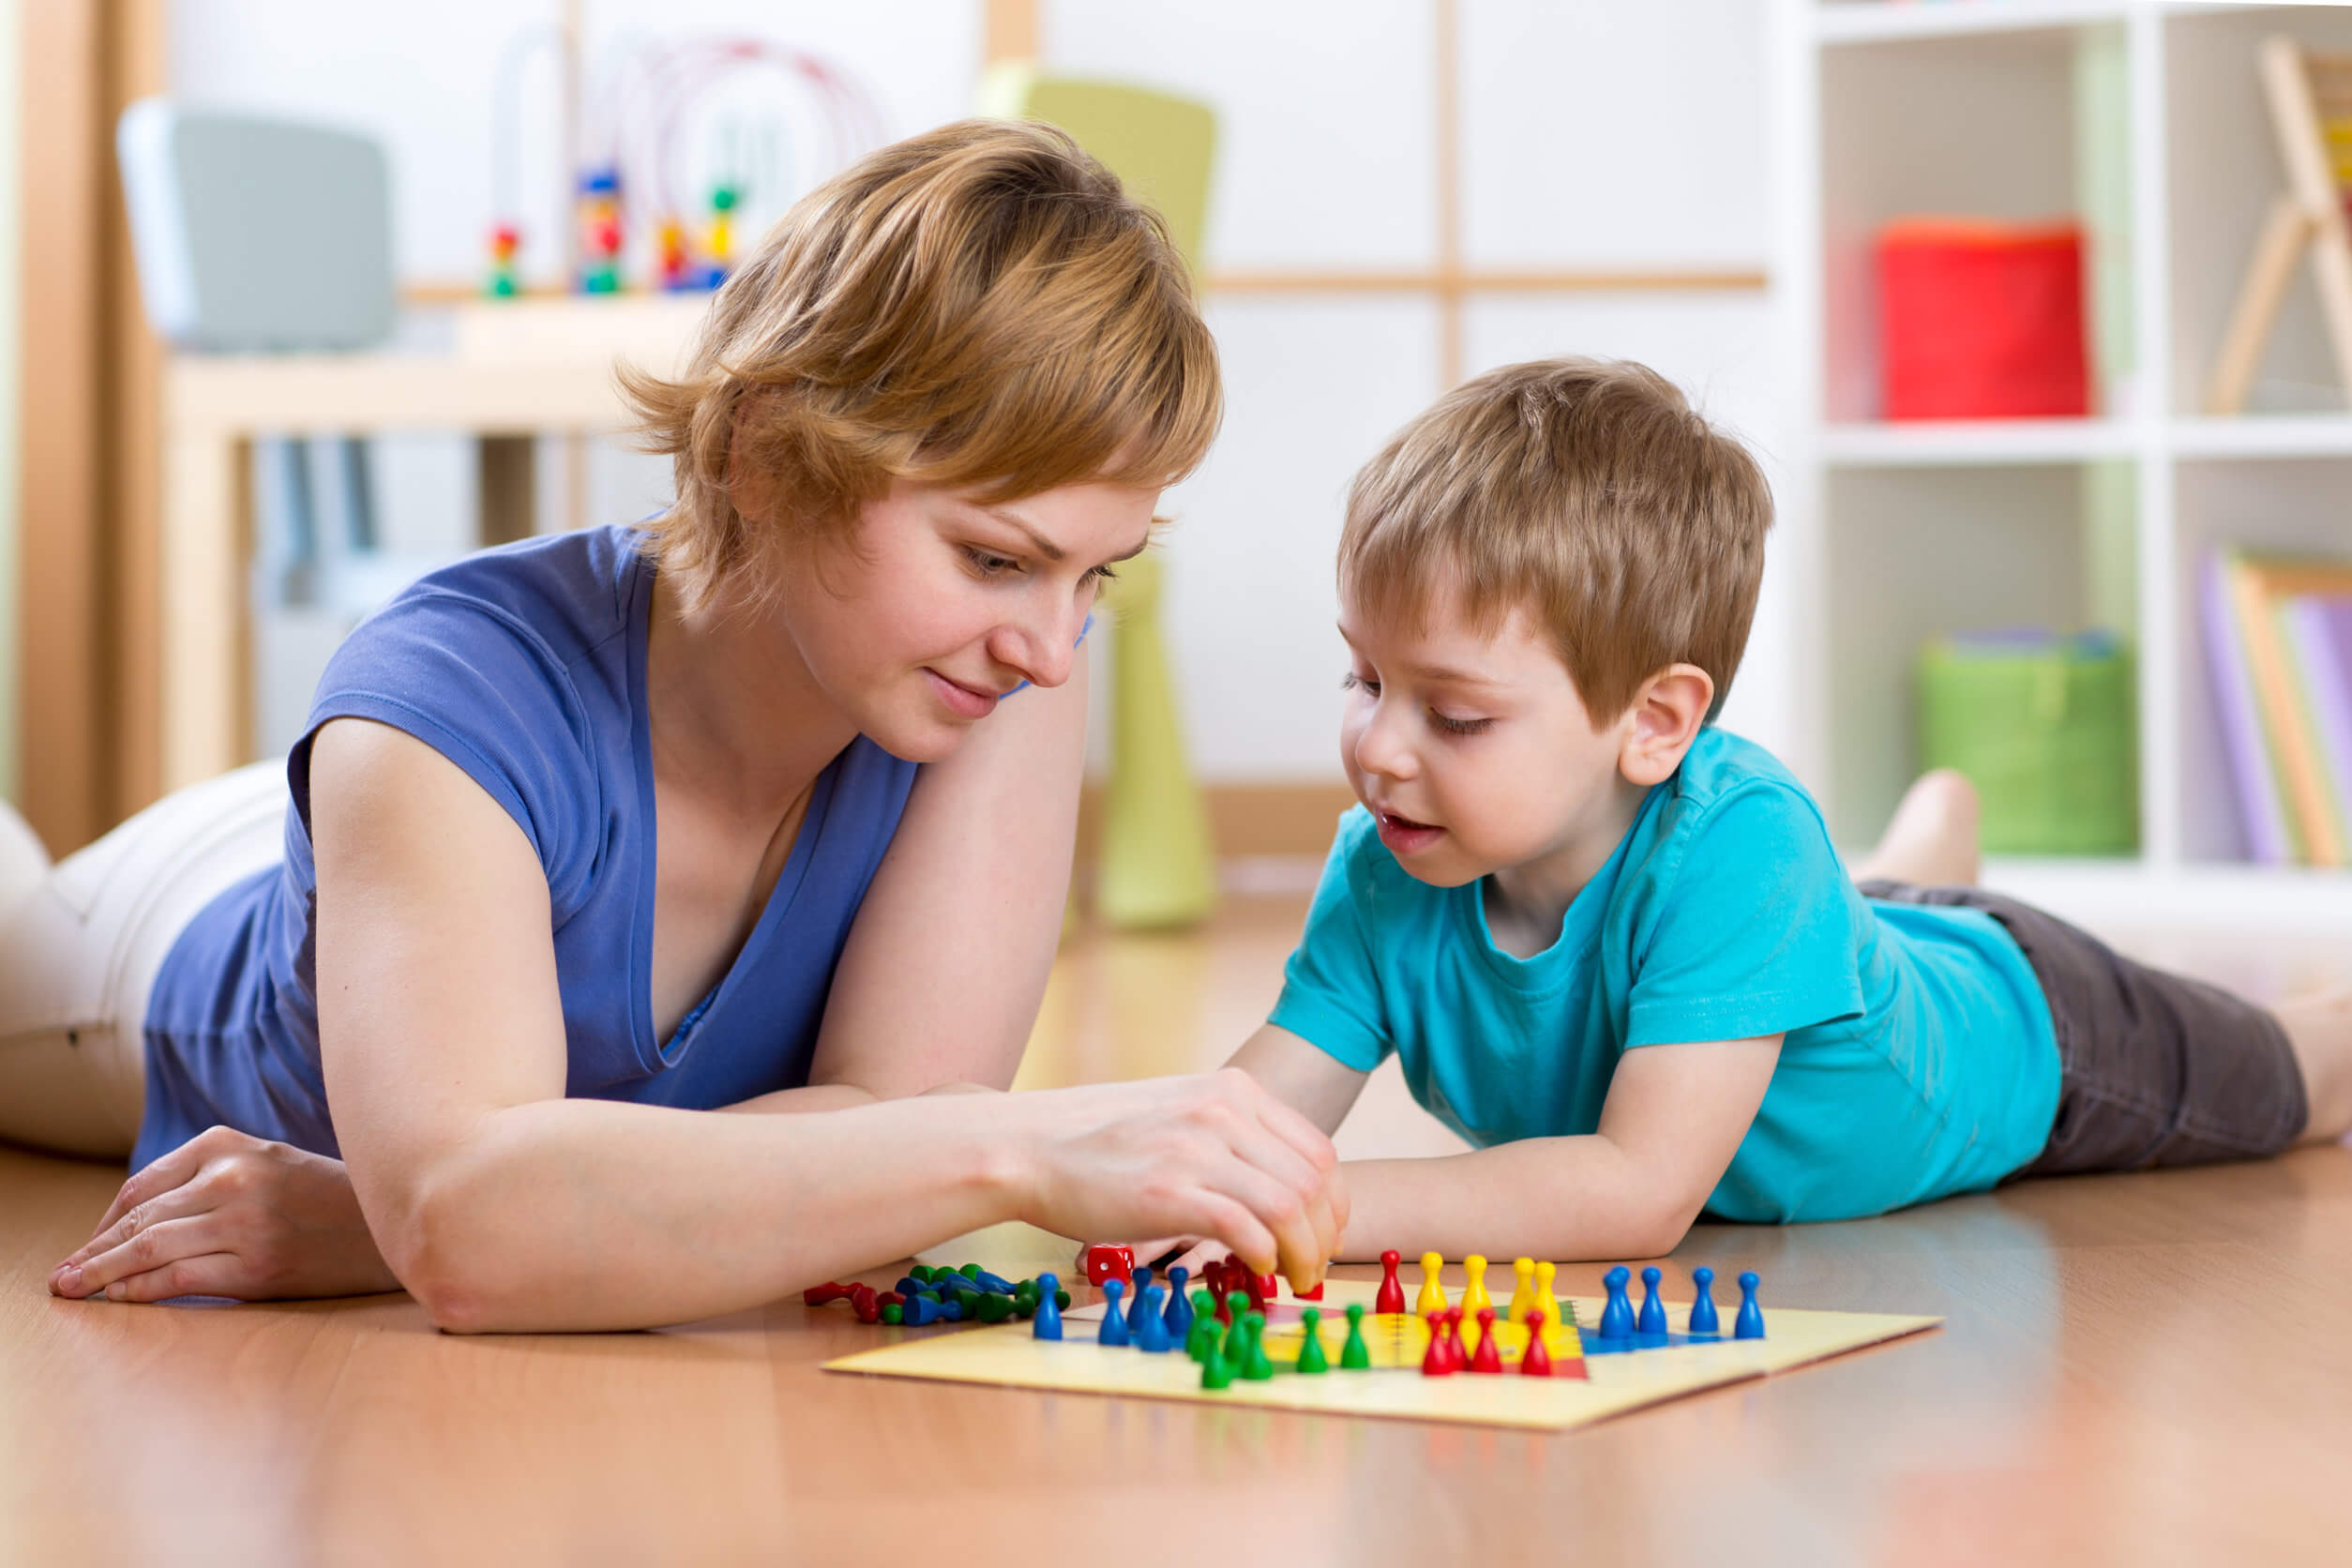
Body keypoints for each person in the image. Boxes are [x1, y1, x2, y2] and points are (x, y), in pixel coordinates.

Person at [4, 120, 1343, 1329]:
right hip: (155, 940)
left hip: (444, 842)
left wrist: (396, 1215)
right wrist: (1023, 1150)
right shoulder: (443, 700)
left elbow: (889, 1137)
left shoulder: (1005, 669)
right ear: (760, 452)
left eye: (1091, 574)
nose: (1054, 650)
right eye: (996, 558)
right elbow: (481, 1235)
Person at [1196, 356, 2352, 1262]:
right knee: (1857, 918)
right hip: (1823, 944)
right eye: (1365, 679)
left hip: (2035, 1039)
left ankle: (1927, 874)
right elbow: (1251, 1116)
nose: (1378, 749)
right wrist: (1169, 1178)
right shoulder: (1389, 863)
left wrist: (1309, 1206)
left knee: (2306, 1076)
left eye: (1453, 717)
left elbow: (1640, 1191)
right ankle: (1915, 862)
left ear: (1654, 723)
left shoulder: (1745, 844)